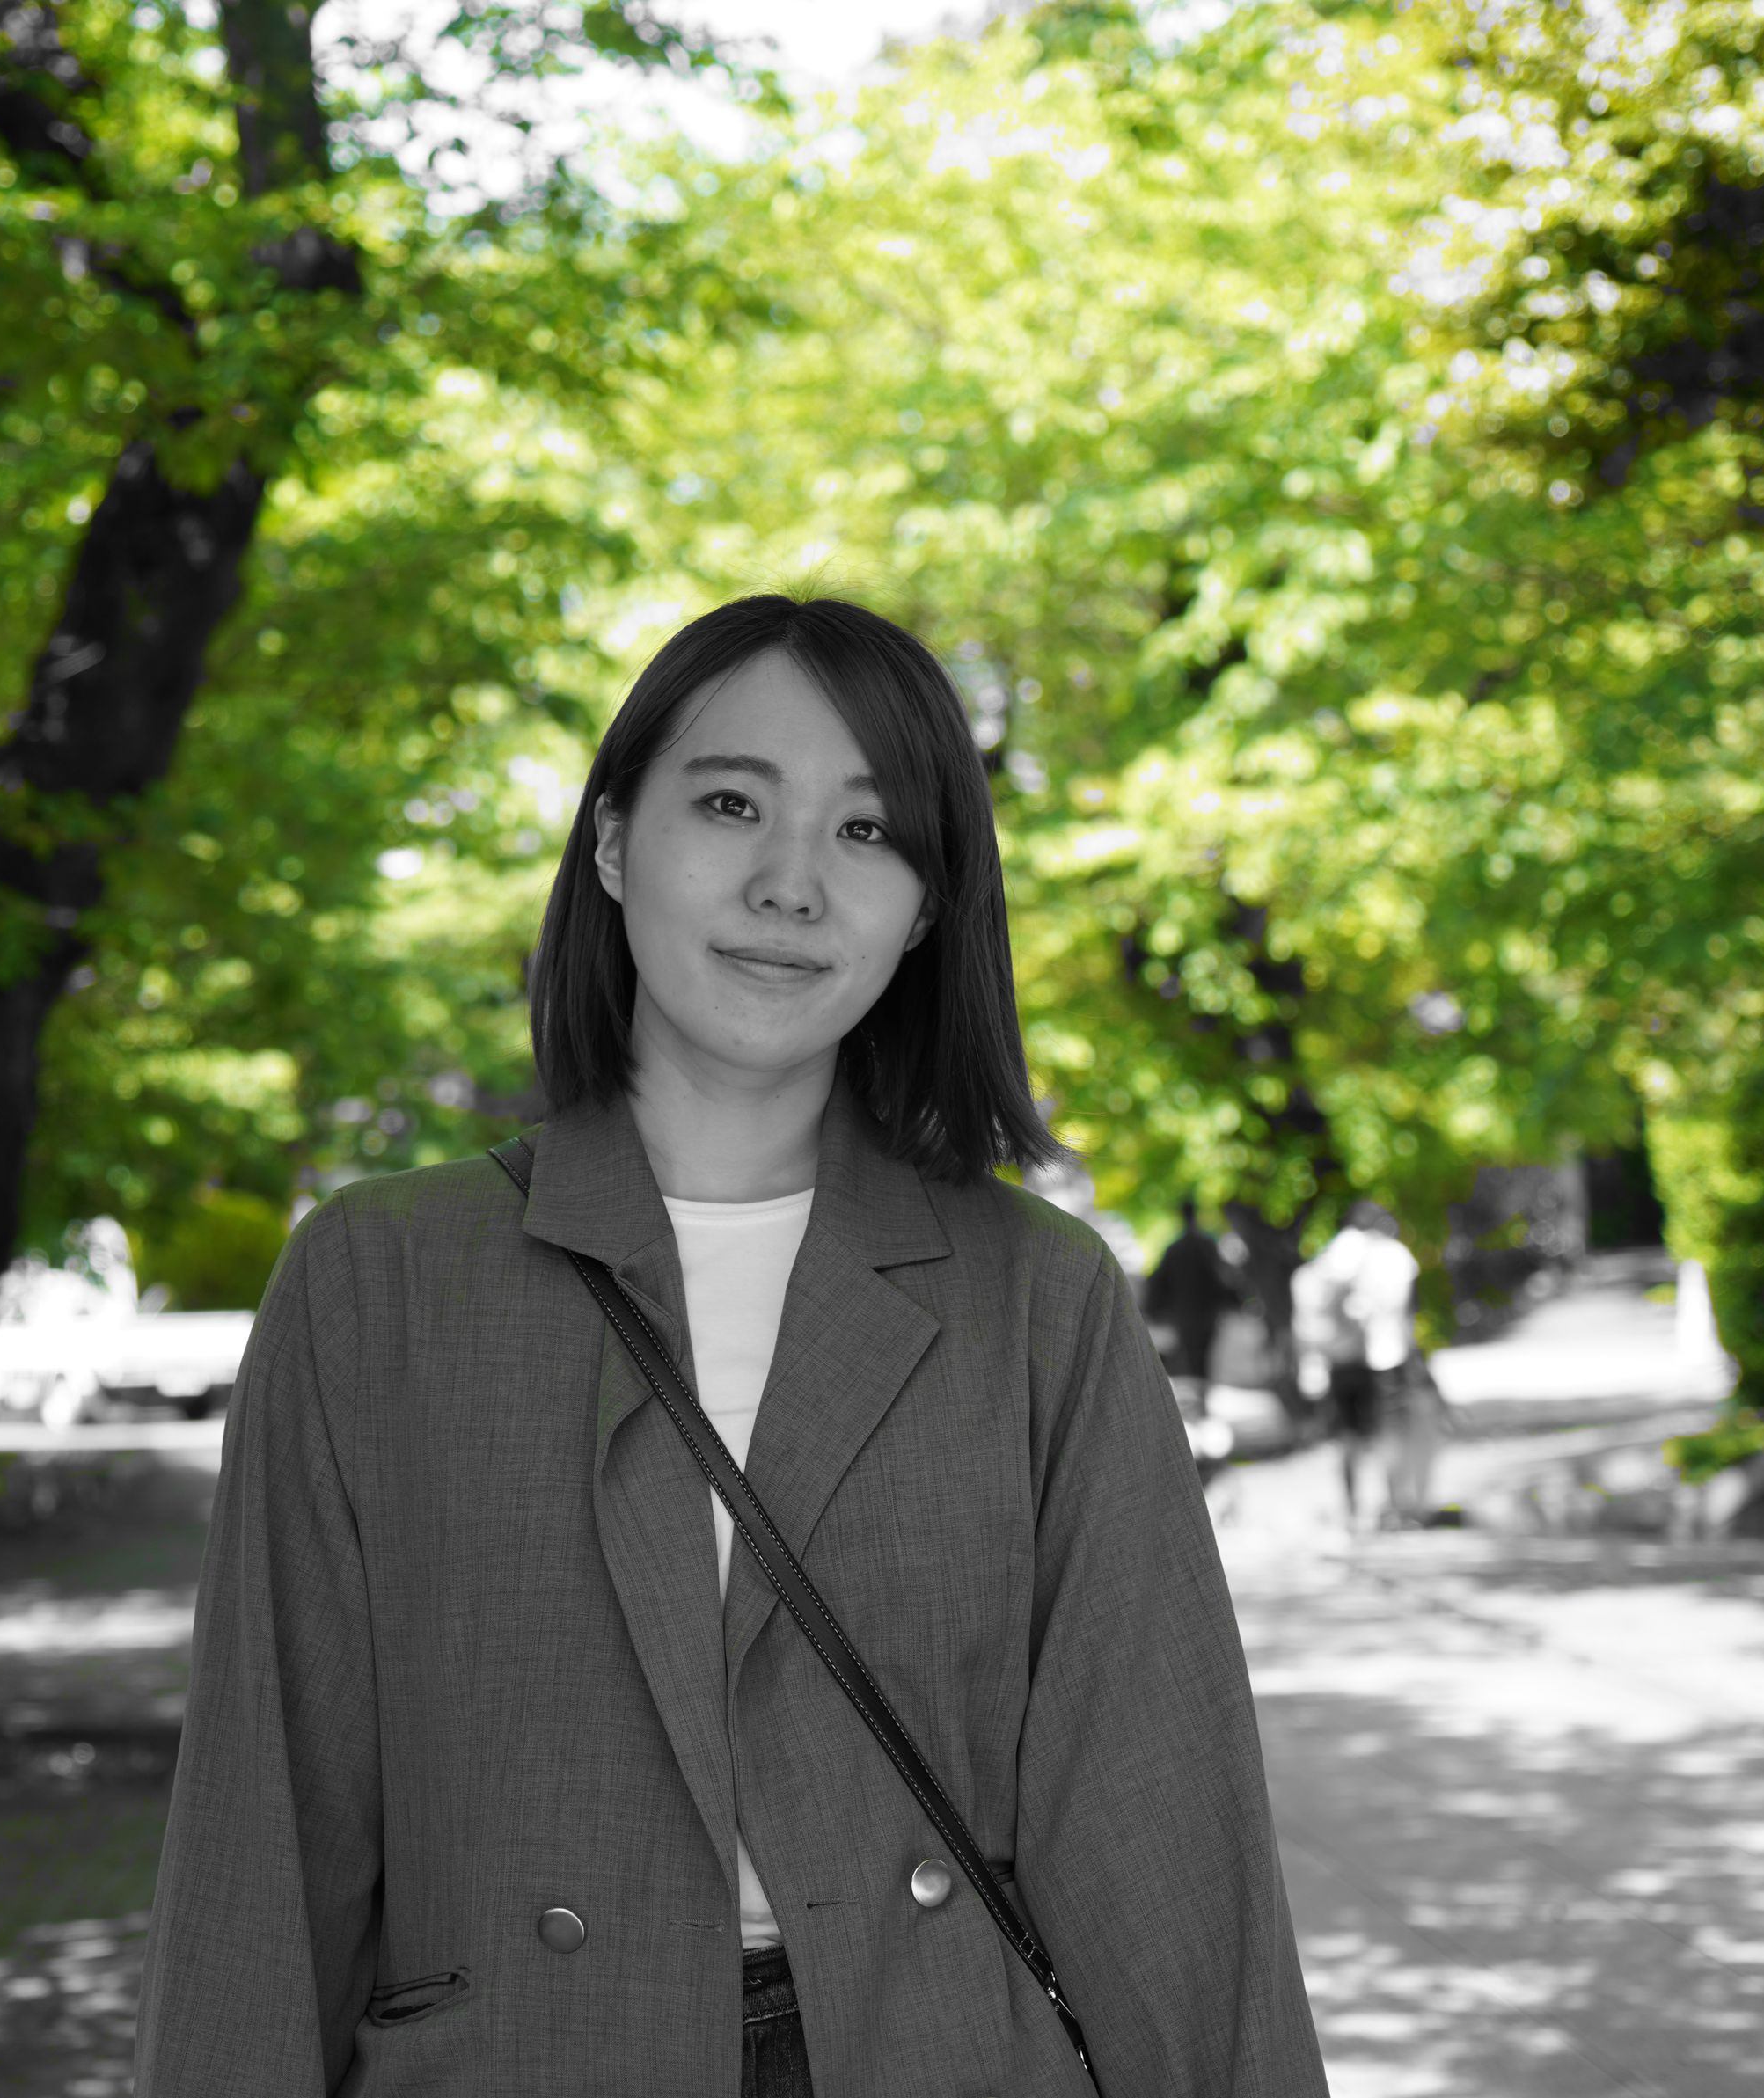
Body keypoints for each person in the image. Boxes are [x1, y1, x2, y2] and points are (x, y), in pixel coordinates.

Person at [134, 597, 1326, 2096]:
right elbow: (265, 1831)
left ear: (927, 908)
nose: (790, 884)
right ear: (612, 843)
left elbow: (1166, 1836)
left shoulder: (1039, 1300)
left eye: (867, 832)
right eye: (730, 805)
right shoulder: (380, 1280)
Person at [1293, 1202, 1421, 1532]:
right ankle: (1393, 1508)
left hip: (1342, 1358)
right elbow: (1407, 1312)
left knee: (1348, 1436)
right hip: (1385, 1357)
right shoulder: (1393, 1254)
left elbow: (1313, 1298)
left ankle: (1353, 1510)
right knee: (1387, 1433)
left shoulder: (1338, 1251)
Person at [1141, 1195, 1235, 1389]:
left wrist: (1152, 1310)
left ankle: (1196, 1395)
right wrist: (1234, 1300)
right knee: (1201, 1359)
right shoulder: (1207, 1245)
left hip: (1183, 1314)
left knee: (1189, 1358)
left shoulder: (1174, 1249)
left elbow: (1157, 1282)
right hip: (1206, 1314)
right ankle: (1200, 1395)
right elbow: (1220, 1278)